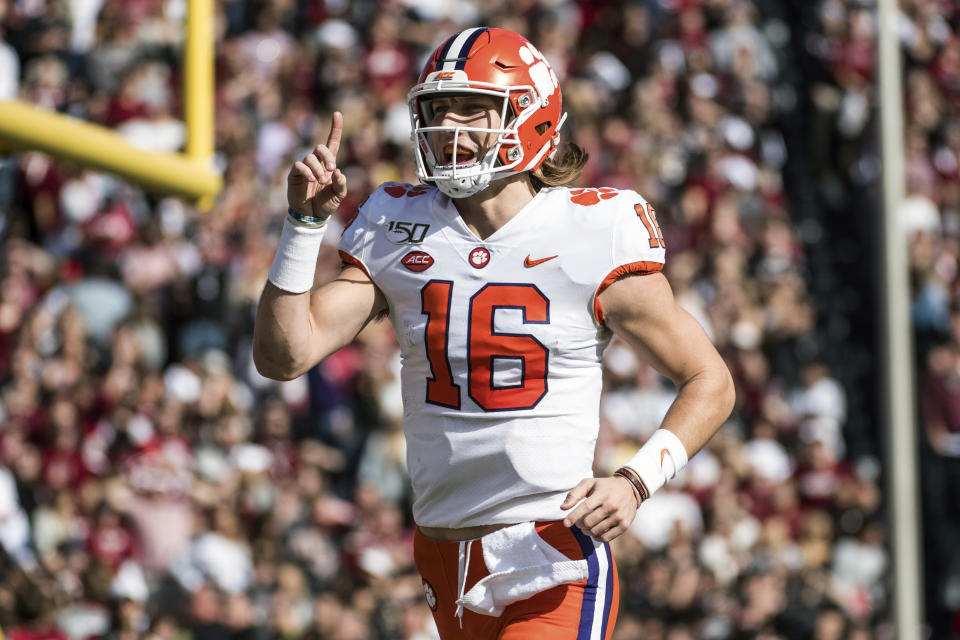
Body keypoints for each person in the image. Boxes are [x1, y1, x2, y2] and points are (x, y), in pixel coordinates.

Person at [253, 27, 735, 640]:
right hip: (440, 552)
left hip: (551, 550)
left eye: (473, 110)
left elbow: (710, 380)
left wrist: (637, 480)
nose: (449, 128)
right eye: (437, 111)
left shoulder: (592, 231)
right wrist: (301, 225)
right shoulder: (401, 224)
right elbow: (284, 354)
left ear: (533, 118)